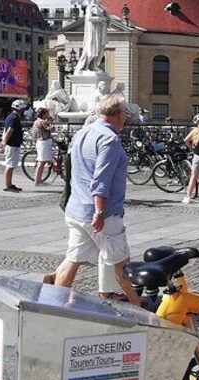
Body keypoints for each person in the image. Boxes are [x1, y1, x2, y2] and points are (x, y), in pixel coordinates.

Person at [51, 95, 140, 306]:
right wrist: (99, 212)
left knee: (73, 258)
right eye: (125, 115)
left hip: (76, 209)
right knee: (121, 263)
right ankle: (138, 308)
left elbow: (71, 168)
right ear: (118, 115)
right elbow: (101, 180)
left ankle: (53, 303)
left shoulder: (82, 132)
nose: (125, 120)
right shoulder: (109, 140)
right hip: (102, 213)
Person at [0, 99, 27, 193]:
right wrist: (3, 142)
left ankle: (9, 184)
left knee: (11, 165)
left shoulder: (11, 117)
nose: (23, 111)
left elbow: (5, 130)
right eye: (22, 109)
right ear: (20, 109)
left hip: (13, 144)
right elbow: (9, 131)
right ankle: (8, 185)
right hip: (12, 145)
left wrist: (3, 141)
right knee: (10, 165)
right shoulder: (14, 118)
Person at [76, 0, 108, 73]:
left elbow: (108, 19)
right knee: (92, 49)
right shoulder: (90, 7)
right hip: (93, 31)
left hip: (100, 31)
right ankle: (86, 66)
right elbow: (89, 18)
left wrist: (107, 18)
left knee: (99, 49)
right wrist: (100, 19)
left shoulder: (102, 8)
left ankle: (94, 66)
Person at [32, 108, 54, 186]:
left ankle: (39, 180)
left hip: (43, 142)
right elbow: (50, 129)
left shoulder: (38, 121)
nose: (48, 115)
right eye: (47, 113)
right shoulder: (41, 122)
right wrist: (51, 124)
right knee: (41, 163)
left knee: (42, 162)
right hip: (43, 142)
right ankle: (37, 181)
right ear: (43, 114)